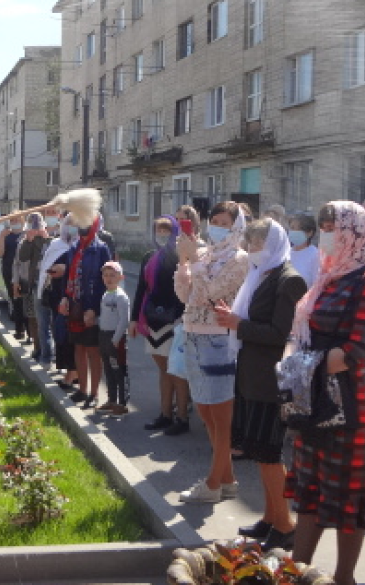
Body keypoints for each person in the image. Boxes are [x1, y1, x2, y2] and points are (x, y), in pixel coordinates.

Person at [284, 201, 365, 585]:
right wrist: (292, 362)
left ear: (355, 230)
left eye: (333, 225)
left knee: (348, 501)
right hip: (313, 401)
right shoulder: (328, 274)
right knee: (309, 493)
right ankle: (295, 574)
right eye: (323, 225)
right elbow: (301, 333)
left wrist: (295, 368)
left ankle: (344, 578)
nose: (327, 231)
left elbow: (356, 351)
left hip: (351, 407)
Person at [210, 218, 307, 551]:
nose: (252, 250)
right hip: (251, 375)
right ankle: (270, 517)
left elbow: (280, 334)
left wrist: (239, 324)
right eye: (250, 243)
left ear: (274, 244)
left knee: (268, 453)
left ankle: (285, 524)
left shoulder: (289, 280)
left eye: (257, 244)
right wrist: (235, 319)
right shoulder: (261, 274)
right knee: (258, 452)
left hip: (269, 379)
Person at [175, 201, 248, 502]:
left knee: (220, 415)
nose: (217, 226)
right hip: (193, 335)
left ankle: (213, 483)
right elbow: (185, 296)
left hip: (219, 339)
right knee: (205, 410)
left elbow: (212, 295)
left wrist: (195, 263)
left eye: (224, 221)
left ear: (236, 226)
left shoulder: (239, 258)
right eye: (214, 220)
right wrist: (184, 262)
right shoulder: (205, 254)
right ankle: (228, 479)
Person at [133, 215, 190, 434]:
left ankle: (182, 418)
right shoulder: (149, 256)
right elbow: (140, 288)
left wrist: (180, 317)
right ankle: (165, 414)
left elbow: (185, 289)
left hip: (174, 321)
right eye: (158, 230)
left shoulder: (180, 256)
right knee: (164, 370)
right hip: (152, 320)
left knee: (177, 371)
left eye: (167, 230)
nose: (162, 234)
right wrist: (134, 319)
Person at [56, 213, 113, 408]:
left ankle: (94, 394)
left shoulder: (101, 249)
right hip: (74, 306)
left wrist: (94, 309)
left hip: (90, 309)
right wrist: (65, 297)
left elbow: (105, 282)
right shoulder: (74, 247)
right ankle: (82, 390)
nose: (82, 227)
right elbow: (67, 276)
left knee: (92, 351)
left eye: (86, 223)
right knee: (78, 348)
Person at [44, 214, 81, 388]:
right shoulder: (59, 244)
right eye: (69, 224)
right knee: (61, 335)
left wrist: (65, 269)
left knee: (71, 337)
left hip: (75, 297)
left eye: (76, 224)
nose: (72, 228)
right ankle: (69, 371)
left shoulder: (88, 245)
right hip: (59, 294)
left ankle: (74, 374)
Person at [15, 212, 51, 361]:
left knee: (44, 320)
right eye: (32, 228)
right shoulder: (26, 240)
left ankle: (47, 351)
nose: (35, 231)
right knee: (32, 317)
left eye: (37, 228)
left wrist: (46, 238)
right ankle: (37, 348)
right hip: (32, 283)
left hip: (46, 285)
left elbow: (53, 254)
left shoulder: (49, 239)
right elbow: (22, 257)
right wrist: (28, 240)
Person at [98, 261, 130, 416]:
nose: (108, 278)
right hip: (104, 335)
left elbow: (124, 320)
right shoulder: (105, 294)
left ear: (120, 277)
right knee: (108, 369)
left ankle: (122, 403)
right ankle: (111, 399)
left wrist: (116, 339)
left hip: (115, 338)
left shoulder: (120, 297)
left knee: (119, 370)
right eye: (106, 275)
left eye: (112, 275)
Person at [0, 215, 29, 339]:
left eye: (17, 220)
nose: (14, 222)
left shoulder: (27, 234)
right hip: (9, 272)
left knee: (26, 301)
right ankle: (19, 329)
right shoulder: (6, 235)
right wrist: (1, 236)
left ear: (22, 221)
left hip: (24, 272)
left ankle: (30, 331)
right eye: (12, 220)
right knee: (15, 300)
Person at [288, 213, 320, 288]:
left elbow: (317, 286)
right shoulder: (285, 253)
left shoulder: (316, 255)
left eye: (298, 229)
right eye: (292, 228)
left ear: (309, 233)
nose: (293, 232)